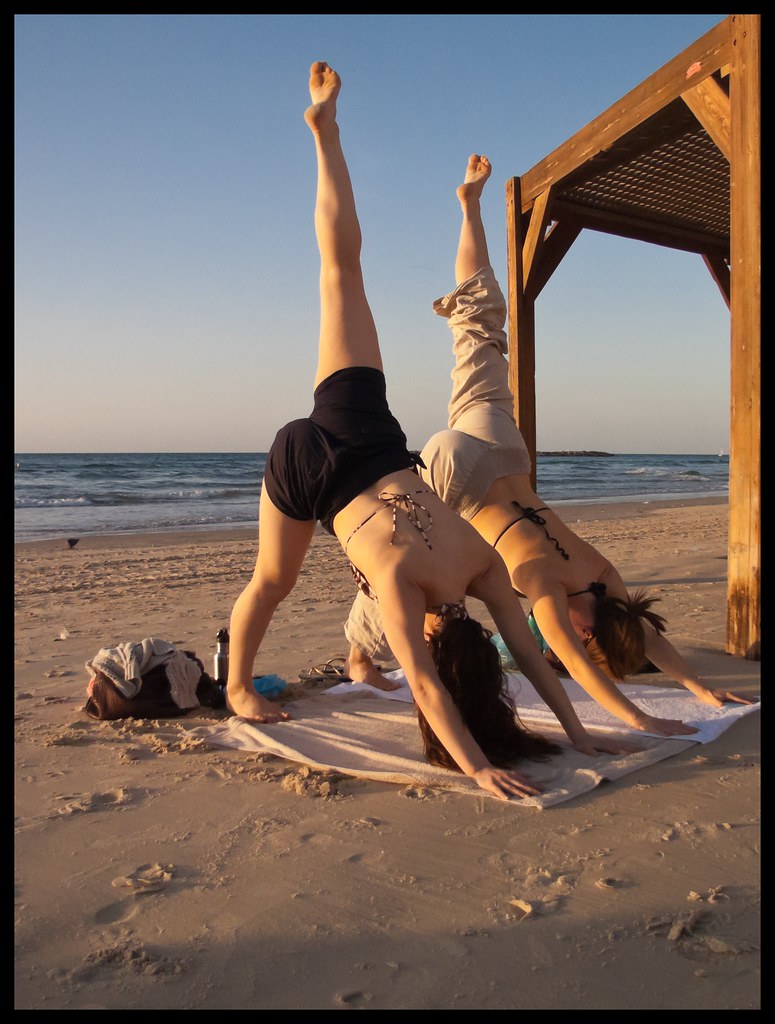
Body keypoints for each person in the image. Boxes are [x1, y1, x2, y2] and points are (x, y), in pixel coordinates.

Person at [226, 62, 636, 802]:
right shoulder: (402, 590)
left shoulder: (480, 563)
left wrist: (577, 732)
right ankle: (237, 688)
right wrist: (482, 764)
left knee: (342, 272)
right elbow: (425, 684)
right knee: (272, 581)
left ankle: (326, 134)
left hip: (369, 436)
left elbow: (527, 654)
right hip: (312, 469)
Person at [344, 152, 755, 736]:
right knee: (397, 548)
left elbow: (646, 636)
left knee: (480, 329)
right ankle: (360, 654)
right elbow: (573, 666)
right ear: (590, 631)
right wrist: (640, 717)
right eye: (588, 642)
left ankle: (470, 206)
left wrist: (698, 687)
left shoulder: (604, 577)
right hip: (462, 478)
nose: (578, 644)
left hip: (503, 453)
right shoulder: (546, 589)